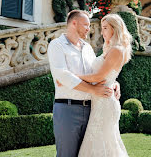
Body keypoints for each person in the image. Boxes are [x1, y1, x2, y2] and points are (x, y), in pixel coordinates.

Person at [47, 10, 120, 157]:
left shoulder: (87, 48)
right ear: (74, 23)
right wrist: (93, 90)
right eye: (86, 24)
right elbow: (62, 75)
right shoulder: (57, 45)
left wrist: (113, 82)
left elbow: (96, 73)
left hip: (91, 110)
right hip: (67, 109)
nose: (89, 28)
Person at [77, 13, 132, 157]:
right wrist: (114, 83)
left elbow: (99, 76)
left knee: (105, 145)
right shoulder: (110, 49)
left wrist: (73, 77)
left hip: (105, 103)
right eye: (102, 28)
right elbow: (108, 75)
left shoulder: (117, 50)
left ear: (115, 29)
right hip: (100, 101)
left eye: (105, 28)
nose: (102, 32)